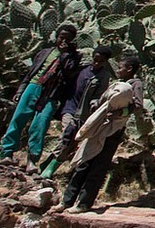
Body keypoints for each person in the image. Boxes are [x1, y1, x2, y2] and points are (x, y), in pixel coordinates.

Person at [55, 55, 144, 215]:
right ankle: (66, 201)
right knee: (85, 160)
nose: (117, 70)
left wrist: (120, 112)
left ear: (129, 69)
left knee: (98, 165)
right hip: (100, 125)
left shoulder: (134, 84)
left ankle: (84, 203)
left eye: (120, 67)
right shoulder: (117, 84)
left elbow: (137, 105)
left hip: (113, 129)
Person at [0, 24, 81, 173]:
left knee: (40, 126)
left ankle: (32, 160)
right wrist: (21, 90)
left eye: (68, 39)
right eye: (61, 37)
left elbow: (69, 73)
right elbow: (31, 73)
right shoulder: (44, 52)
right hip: (33, 86)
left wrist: (64, 54)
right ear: (56, 36)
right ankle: (7, 153)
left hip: (51, 94)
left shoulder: (74, 57)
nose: (64, 41)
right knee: (18, 119)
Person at [38, 45, 113, 179]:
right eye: (95, 59)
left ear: (105, 62)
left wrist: (94, 104)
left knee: (71, 142)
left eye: (100, 61)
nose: (96, 63)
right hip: (70, 107)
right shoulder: (82, 68)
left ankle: (48, 165)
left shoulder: (103, 76)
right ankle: (48, 169)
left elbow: (99, 95)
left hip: (84, 114)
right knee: (67, 134)